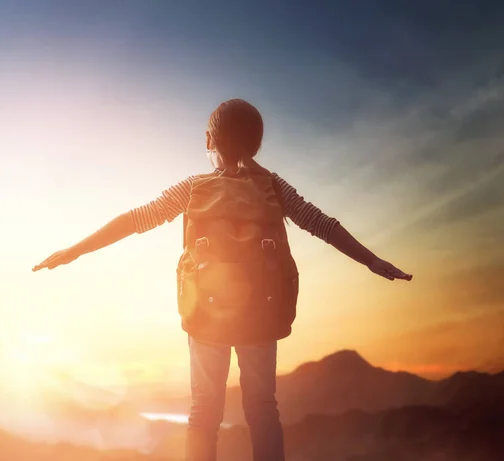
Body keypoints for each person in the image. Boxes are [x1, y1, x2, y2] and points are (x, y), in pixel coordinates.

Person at [33, 99, 412, 461]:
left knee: (204, 411)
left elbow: (136, 220)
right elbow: (322, 224)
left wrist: (75, 250)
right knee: (263, 410)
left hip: (206, 316)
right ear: (257, 143)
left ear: (209, 140)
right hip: (262, 314)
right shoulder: (274, 187)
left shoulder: (194, 188)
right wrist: (371, 260)